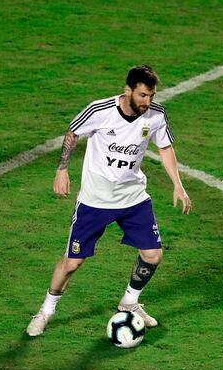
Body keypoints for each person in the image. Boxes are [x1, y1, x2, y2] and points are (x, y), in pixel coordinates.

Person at [26, 65, 192, 337]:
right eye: (141, 95)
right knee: (72, 263)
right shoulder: (99, 110)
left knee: (153, 255)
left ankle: (129, 302)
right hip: (95, 200)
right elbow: (73, 132)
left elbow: (165, 147)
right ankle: (45, 311)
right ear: (127, 90)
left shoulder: (156, 115)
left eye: (150, 95)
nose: (147, 101)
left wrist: (178, 185)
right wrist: (62, 169)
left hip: (133, 198)